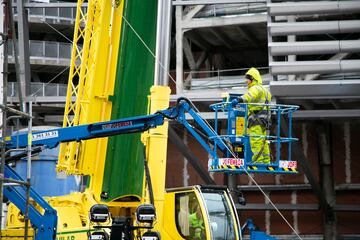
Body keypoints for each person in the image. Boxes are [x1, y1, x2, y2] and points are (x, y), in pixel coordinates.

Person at [231, 67, 272, 164]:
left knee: (256, 141)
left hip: (256, 121)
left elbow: (249, 96)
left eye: (248, 79)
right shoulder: (266, 91)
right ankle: (266, 161)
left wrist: (238, 100)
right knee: (264, 142)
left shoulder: (255, 88)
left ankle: (258, 161)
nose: (246, 82)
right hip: (265, 121)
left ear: (253, 79)